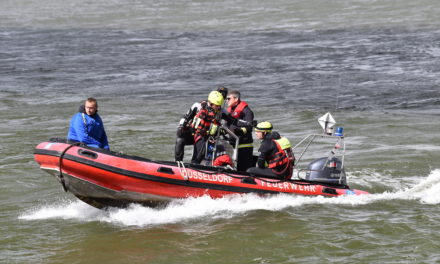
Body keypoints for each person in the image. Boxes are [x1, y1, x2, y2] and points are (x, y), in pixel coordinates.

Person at [175, 86, 227, 162]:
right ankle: (178, 163)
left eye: (224, 95)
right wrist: (181, 126)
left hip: (203, 136)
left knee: (199, 155)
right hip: (193, 132)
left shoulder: (222, 112)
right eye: (216, 105)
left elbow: (234, 120)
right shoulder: (198, 105)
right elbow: (186, 117)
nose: (218, 107)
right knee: (180, 140)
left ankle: (194, 167)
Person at [223, 90, 255, 171]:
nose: (226, 101)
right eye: (226, 99)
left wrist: (239, 131)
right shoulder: (229, 111)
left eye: (228, 99)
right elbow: (226, 125)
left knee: (243, 169)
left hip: (244, 145)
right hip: (232, 144)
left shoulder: (246, 111)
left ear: (236, 99)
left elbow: (250, 127)